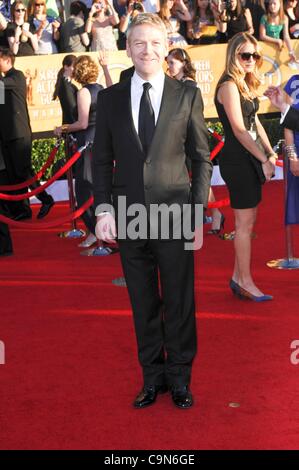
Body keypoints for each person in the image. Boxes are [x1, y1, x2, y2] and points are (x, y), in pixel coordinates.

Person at [92, 13, 212, 408]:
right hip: (128, 215)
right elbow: (101, 159)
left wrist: (196, 210)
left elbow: (201, 158)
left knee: (178, 300)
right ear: (128, 49)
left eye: (155, 43)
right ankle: (152, 378)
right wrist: (104, 209)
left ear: (166, 47)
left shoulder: (187, 94)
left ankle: (180, 378)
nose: (147, 50)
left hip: (176, 214)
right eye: (139, 43)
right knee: (143, 301)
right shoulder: (109, 98)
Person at [214, 32, 276, 301]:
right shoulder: (228, 85)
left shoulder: (244, 85)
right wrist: (263, 159)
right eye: (245, 55)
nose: (251, 60)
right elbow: (239, 130)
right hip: (238, 159)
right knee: (243, 223)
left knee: (248, 222)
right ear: (233, 55)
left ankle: (239, 277)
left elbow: (256, 123)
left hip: (249, 155)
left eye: (255, 55)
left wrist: (270, 152)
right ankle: (246, 281)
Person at [54, 54, 113, 250]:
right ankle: (98, 232)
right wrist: (106, 68)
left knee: (85, 190)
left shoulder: (84, 92)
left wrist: (62, 128)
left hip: (87, 144)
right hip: (101, 143)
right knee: (100, 188)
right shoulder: (102, 89)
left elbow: (82, 123)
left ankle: (97, 233)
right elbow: (113, 90)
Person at [0, 47, 54, 220]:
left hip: (19, 132)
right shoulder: (5, 80)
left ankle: (45, 199)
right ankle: (22, 210)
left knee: (24, 171)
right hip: (7, 134)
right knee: (15, 174)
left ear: (7, 60)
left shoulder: (17, 76)